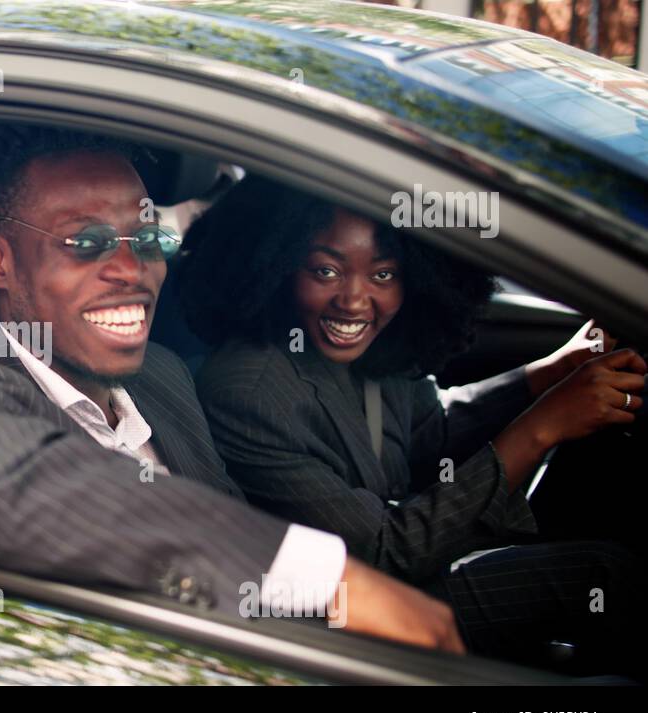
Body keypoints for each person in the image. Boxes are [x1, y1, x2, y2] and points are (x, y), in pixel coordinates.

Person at [0, 124, 465, 654]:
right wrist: (331, 582)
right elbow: (5, 488)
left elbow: (227, 529)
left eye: (147, 238)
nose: (132, 267)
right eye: (86, 241)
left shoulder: (161, 375)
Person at [181, 175, 646, 673]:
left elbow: (430, 438)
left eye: (383, 275)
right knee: (603, 575)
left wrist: (545, 376)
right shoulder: (248, 393)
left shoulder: (376, 348)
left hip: (406, 557)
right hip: (349, 615)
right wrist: (541, 429)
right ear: (277, 265)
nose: (355, 301)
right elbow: (383, 554)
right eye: (326, 270)